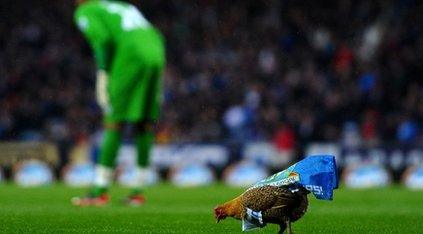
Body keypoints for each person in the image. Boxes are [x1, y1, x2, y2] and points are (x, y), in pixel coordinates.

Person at [71, 0, 165, 206]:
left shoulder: (86, 10)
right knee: (145, 123)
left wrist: (104, 71)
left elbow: (102, 39)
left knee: (114, 121)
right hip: (156, 49)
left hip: (130, 52)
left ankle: (99, 190)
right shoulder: (122, 5)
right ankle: (138, 191)